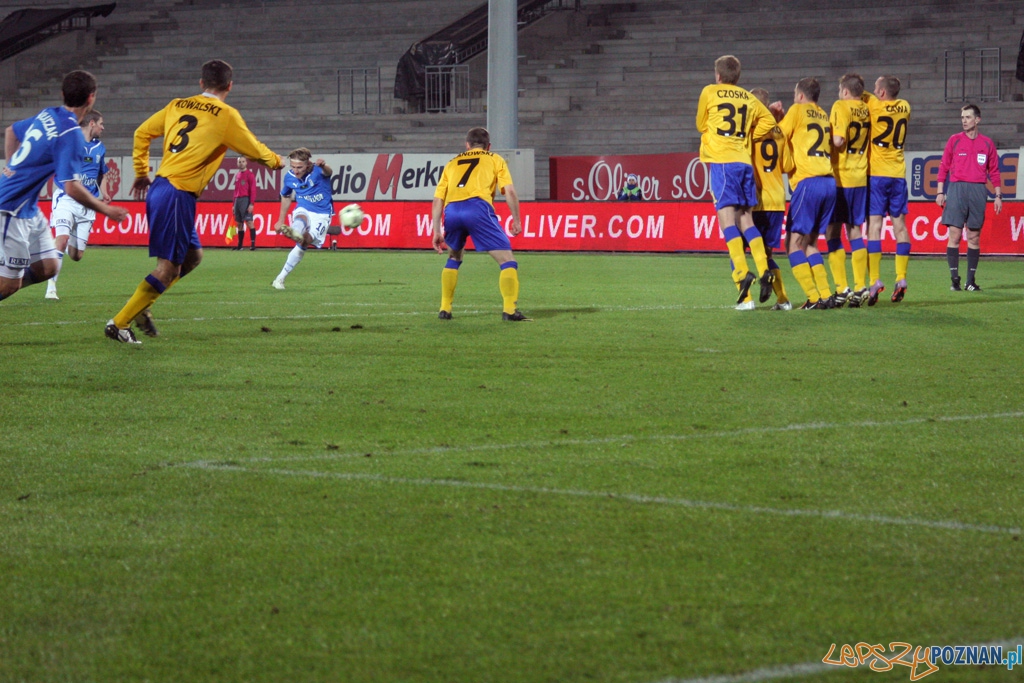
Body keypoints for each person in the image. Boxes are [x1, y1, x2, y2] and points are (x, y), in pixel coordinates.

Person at [106, 59, 284, 344]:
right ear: (230, 86)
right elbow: (257, 150)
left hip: (163, 188)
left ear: (201, 84)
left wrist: (141, 172)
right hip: (177, 193)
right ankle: (120, 322)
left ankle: (141, 308)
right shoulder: (226, 115)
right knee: (167, 269)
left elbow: (142, 132)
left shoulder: (178, 104)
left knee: (192, 257)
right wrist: (279, 162)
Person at [0, 71, 127, 305]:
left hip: (27, 207)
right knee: (9, 285)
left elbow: (11, 132)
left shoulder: (49, 114)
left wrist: (11, 166)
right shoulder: (71, 135)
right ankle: (8, 282)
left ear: (63, 94)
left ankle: (10, 280)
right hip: (11, 209)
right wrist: (106, 210)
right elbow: (70, 187)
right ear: (91, 98)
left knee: (49, 267)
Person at [696, 55, 778, 307]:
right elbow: (769, 121)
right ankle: (764, 269)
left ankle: (743, 274)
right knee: (746, 218)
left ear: (718, 76)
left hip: (723, 162)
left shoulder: (710, 92)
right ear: (738, 77)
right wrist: (747, 134)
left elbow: (701, 125)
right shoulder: (748, 98)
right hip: (744, 163)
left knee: (727, 218)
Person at [431, 126, 528, 321]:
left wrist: (436, 231)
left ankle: (445, 309)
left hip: (452, 211)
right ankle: (509, 310)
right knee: (507, 260)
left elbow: (437, 200)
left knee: (454, 256)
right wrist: (516, 220)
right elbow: (509, 192)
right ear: (488, 146)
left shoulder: (451, 163)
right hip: (477, 208)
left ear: (467, 145)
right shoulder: (495, 159)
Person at [771, 77, 837, 310]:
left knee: (792, 243)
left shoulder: (797, 110)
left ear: (800, 95)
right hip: (829, 183)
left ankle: (812, 297)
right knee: (810, 243)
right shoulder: (823, 115)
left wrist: (774, 116)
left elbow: (776, 134)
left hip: (808, 183)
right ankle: (827, 295)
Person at [44, 109, 111, 301]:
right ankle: (51, 288)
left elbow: (103, 173)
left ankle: (59, 248)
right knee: (62, 238)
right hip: (66, 198)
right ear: (91, 123)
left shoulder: (100, 148)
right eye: (101, 123)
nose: (103, 127)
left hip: (88, 204)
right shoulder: (69, 141)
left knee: (76, 255)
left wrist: (105, 192)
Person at [936, 103, 1002, 291]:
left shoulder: (987, 143)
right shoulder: (954, 140)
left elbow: (995, 172)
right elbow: (944, 166)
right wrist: (940, 191)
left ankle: (970, 281)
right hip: (956, 190)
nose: (964, 121)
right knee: (954, 235)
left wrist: (998, 195)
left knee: (974, 236)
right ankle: (954, 279)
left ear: (977, 119)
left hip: (978, 191)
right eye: (962, 117)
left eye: (968, 117)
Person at [862, 75, 912, 305]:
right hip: (898, 176)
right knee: (900, 227)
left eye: (876, 87)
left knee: (875, 227)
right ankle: (901, 278)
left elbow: (859, 95)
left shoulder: (873, 106)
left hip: (878, 176)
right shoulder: (905, 107)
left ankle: (875, 280)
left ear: (881, 93)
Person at [826, 74, 871, 307]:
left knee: (832, 232)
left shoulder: (840, 106)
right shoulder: (865, 108)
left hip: (841, 177)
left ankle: (842, 288)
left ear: (844, 91)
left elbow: (838, 140)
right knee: (855, 232)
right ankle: (860, 286)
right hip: (860, 177)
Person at [747, 87, 792, 311]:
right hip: (777, 198)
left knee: (742, 246)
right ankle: (783, 299)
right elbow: (787, 166)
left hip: (756, 199)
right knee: (767, 252)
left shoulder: (750, 131)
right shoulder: (779, 133)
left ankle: (747, 299)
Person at [272, 148, 333, 289]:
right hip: (303, 207)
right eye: (293, 167)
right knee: (300, 217)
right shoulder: (289, 178)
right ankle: (295, 230)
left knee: (306, 242)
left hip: (322, 214)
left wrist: (324, 165)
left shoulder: (318, 170)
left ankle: (298, 235)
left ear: (308, 165)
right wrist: (280, 220)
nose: (296, 171)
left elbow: (329, 172)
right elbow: (286, 197)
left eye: (299, 167)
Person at [232, 156, 257, 250]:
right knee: (239, 223)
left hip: (245, 200)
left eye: (243, 161)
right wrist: (233, 204)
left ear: (246, 163)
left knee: (249, 222)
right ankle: (240, 246)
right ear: (237, 163)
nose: (241, 163)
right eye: (239, 162)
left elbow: (253, 190)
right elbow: (235, 191)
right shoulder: (237, 175)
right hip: (237, 200)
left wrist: (251, 203)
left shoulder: (250, 175)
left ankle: (253, 245)